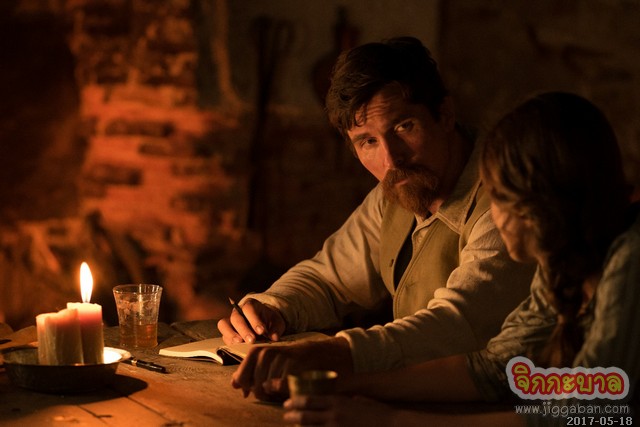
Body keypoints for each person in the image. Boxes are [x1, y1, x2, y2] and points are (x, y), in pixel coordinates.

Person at [281, 91, 640, 426]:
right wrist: (348, 385)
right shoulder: (561, 265)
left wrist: (393, 420)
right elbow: (496, 368)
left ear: (543, 200)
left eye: (499, 195)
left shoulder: (629, 260)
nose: (493, 213)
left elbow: (587, 411)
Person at [222, 36, 534, 398]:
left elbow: (459, 324)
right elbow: (328, 278)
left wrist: (338, 353)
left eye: (404, 127)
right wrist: (273, 307)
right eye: (367, 141)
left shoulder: (504, 193)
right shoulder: (400, 188)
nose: (390, 159)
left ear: (445, 114)